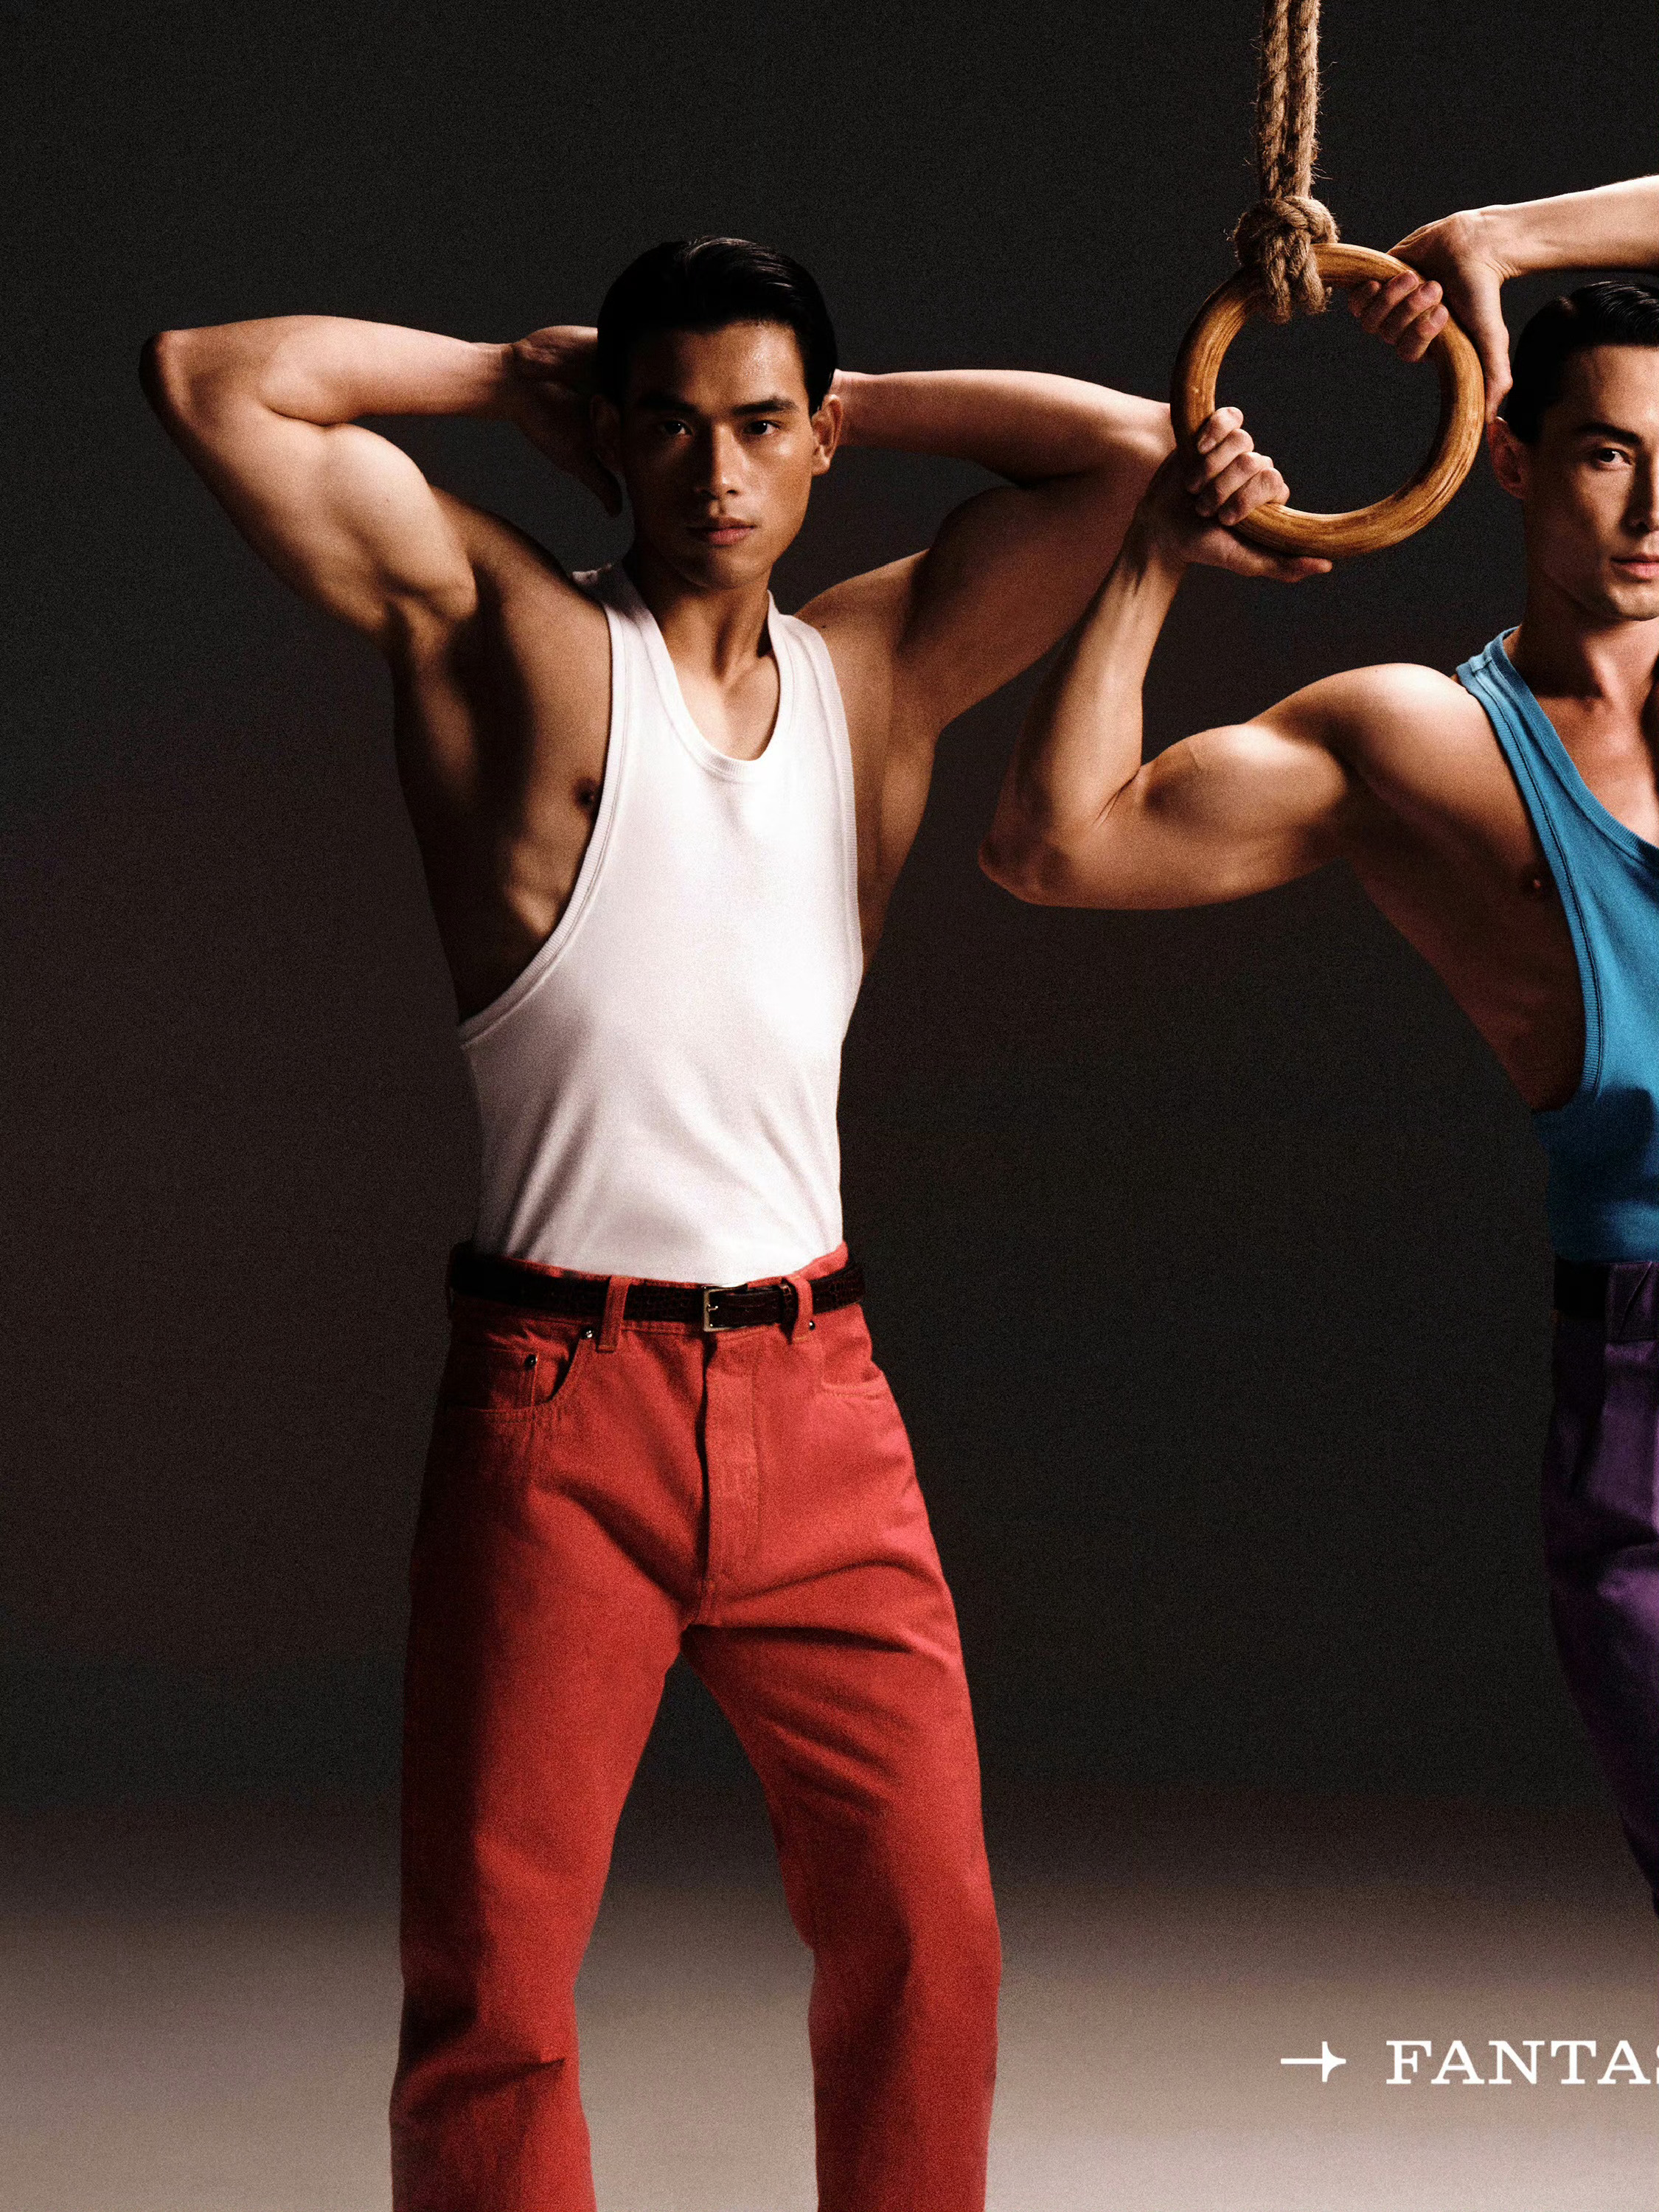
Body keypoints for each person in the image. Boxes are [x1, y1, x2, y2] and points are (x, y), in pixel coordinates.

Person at [142, 234, 1295, 2211]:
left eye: (761, 427)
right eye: (669, 429)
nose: (718, 473)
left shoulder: (876, 673)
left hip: (822, 1405)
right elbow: (210, 377)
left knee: (928, 1938)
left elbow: (1130, 454)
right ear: (610, 436)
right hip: (557, 1404)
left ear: (818, 439)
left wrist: (851, 406)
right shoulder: (514, 640)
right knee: (495, 1987)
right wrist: (509, 377)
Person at [981, 177, 1659, 1914]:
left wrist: (1510, 242)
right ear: (1510, 460)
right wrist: (1155, 556)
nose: (1657, 506)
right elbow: (1055, 847)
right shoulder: (1420, 746)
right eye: (1607, 454)